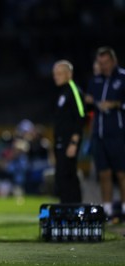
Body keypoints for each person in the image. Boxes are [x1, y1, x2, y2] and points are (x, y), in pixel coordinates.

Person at [85, 46, 125, 221]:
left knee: (122, 173)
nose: (104, 66)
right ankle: (107, 211)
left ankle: (124, 210)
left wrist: (116, 104)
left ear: (114, 61)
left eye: (106, 62)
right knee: (104, 174)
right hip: (99, 135)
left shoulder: (123, 78)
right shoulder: (95, 81)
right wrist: (91, 102)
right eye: (101, 63)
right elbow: (89, 105)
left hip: (118, 134)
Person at [52, 60, 85, 203]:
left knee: (67, 176)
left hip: (69, 142)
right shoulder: (63, 92)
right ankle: (67, 208)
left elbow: (81, 116)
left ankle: (72, 208)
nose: (56, 77)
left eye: (59, 73)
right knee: (62, 176)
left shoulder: (74, 91)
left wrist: (74, 142)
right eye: (55, 74)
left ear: (69, 74)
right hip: (61, 141)